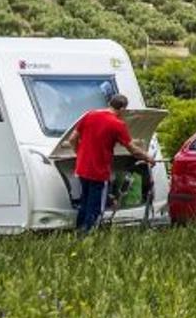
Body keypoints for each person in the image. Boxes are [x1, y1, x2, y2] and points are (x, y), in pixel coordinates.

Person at [66, 94, 154, 233]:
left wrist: (80, 154)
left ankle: (79, 230)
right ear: (123, 109)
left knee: (85, 201)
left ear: (109, 103)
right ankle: (89, 234)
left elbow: (72, 139)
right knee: (95, 205)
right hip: (99, 171)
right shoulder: (117, 124)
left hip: (82, 167)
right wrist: (148, 158)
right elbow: (133, 150)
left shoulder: (89, 115)